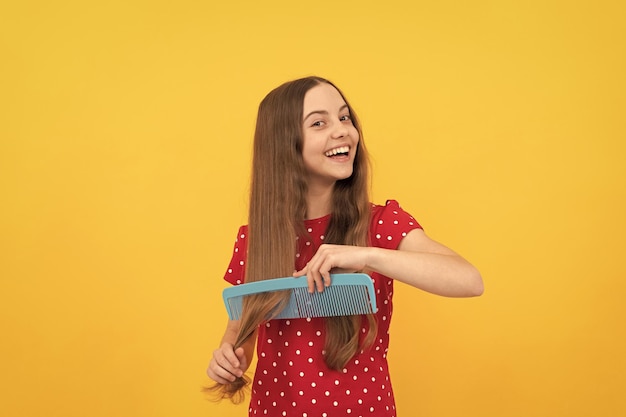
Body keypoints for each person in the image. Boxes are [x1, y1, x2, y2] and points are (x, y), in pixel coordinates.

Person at [206, 76, 483, 416]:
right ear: (283, 143)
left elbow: (469, 280)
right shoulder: (255, 239)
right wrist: (228, 360)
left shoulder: (381, 224)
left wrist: (366, 255)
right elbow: (240, 334)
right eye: (319, 123)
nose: (342, 130)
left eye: (345, 117)